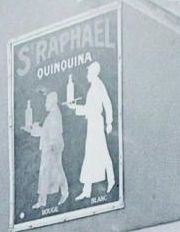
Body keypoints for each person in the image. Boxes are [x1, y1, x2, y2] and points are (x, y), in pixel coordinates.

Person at [69, 60, 115, 200]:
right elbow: (90, 108)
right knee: (90, 154)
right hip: (92, 123)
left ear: (93, 73)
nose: (87, 75)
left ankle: (111, 180)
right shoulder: (93, 86)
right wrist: (76, 108)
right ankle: (87, 190)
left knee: (102, 151)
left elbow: (106, 103)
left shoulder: (98, 86)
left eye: (88, 72)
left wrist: (109, 122)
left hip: (96, 123)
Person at [27, 90, 70, 210]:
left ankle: (60, 194)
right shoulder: (52, 115)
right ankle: (46, 199)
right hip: (49, 148)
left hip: (52, 148)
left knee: (52, 171)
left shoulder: (55, 115)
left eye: (46, 101)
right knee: (49, 172)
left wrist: (51, 146)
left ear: (51, 102)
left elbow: (54, 133)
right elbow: (45, 132)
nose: (45, 103)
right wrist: (32, 130)